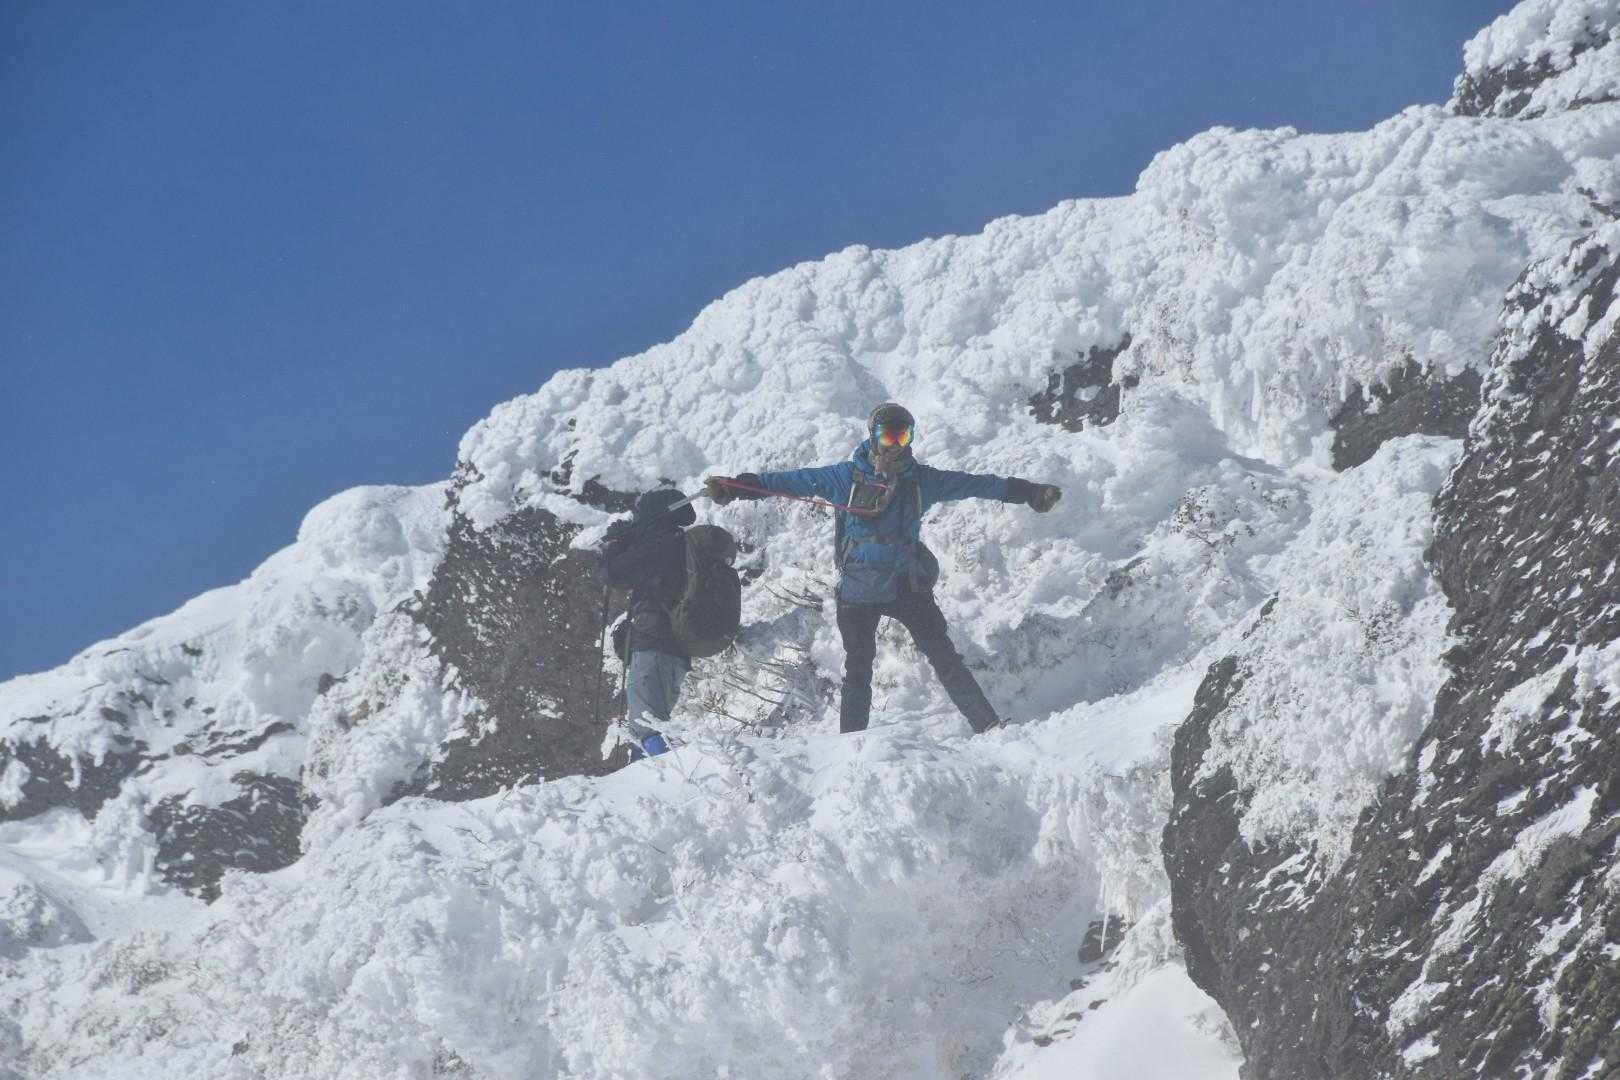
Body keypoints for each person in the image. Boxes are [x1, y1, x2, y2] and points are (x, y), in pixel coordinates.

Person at [705, 403, 1061, 735]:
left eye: (902, 436)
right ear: (873, 435)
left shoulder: (920, 480)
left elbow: (976, 484)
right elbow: (788, 481)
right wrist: (735, 487)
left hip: (905, 585)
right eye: (888, 436)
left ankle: (988, 727)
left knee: (944, 658)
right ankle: (853, 747)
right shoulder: (845, 477)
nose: (895, 445)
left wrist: (1029, 492)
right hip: (860, 589)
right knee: (858, 671)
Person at [598, 487, 697, 757]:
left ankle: (666, 773)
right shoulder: (679, 543)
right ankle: (654, 772)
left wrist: (615, 545)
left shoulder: (659, 545)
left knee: (647, 724)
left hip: (655, 643)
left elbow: (612, 573)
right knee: (651, 720)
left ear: (652, 515)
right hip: (674, 647)